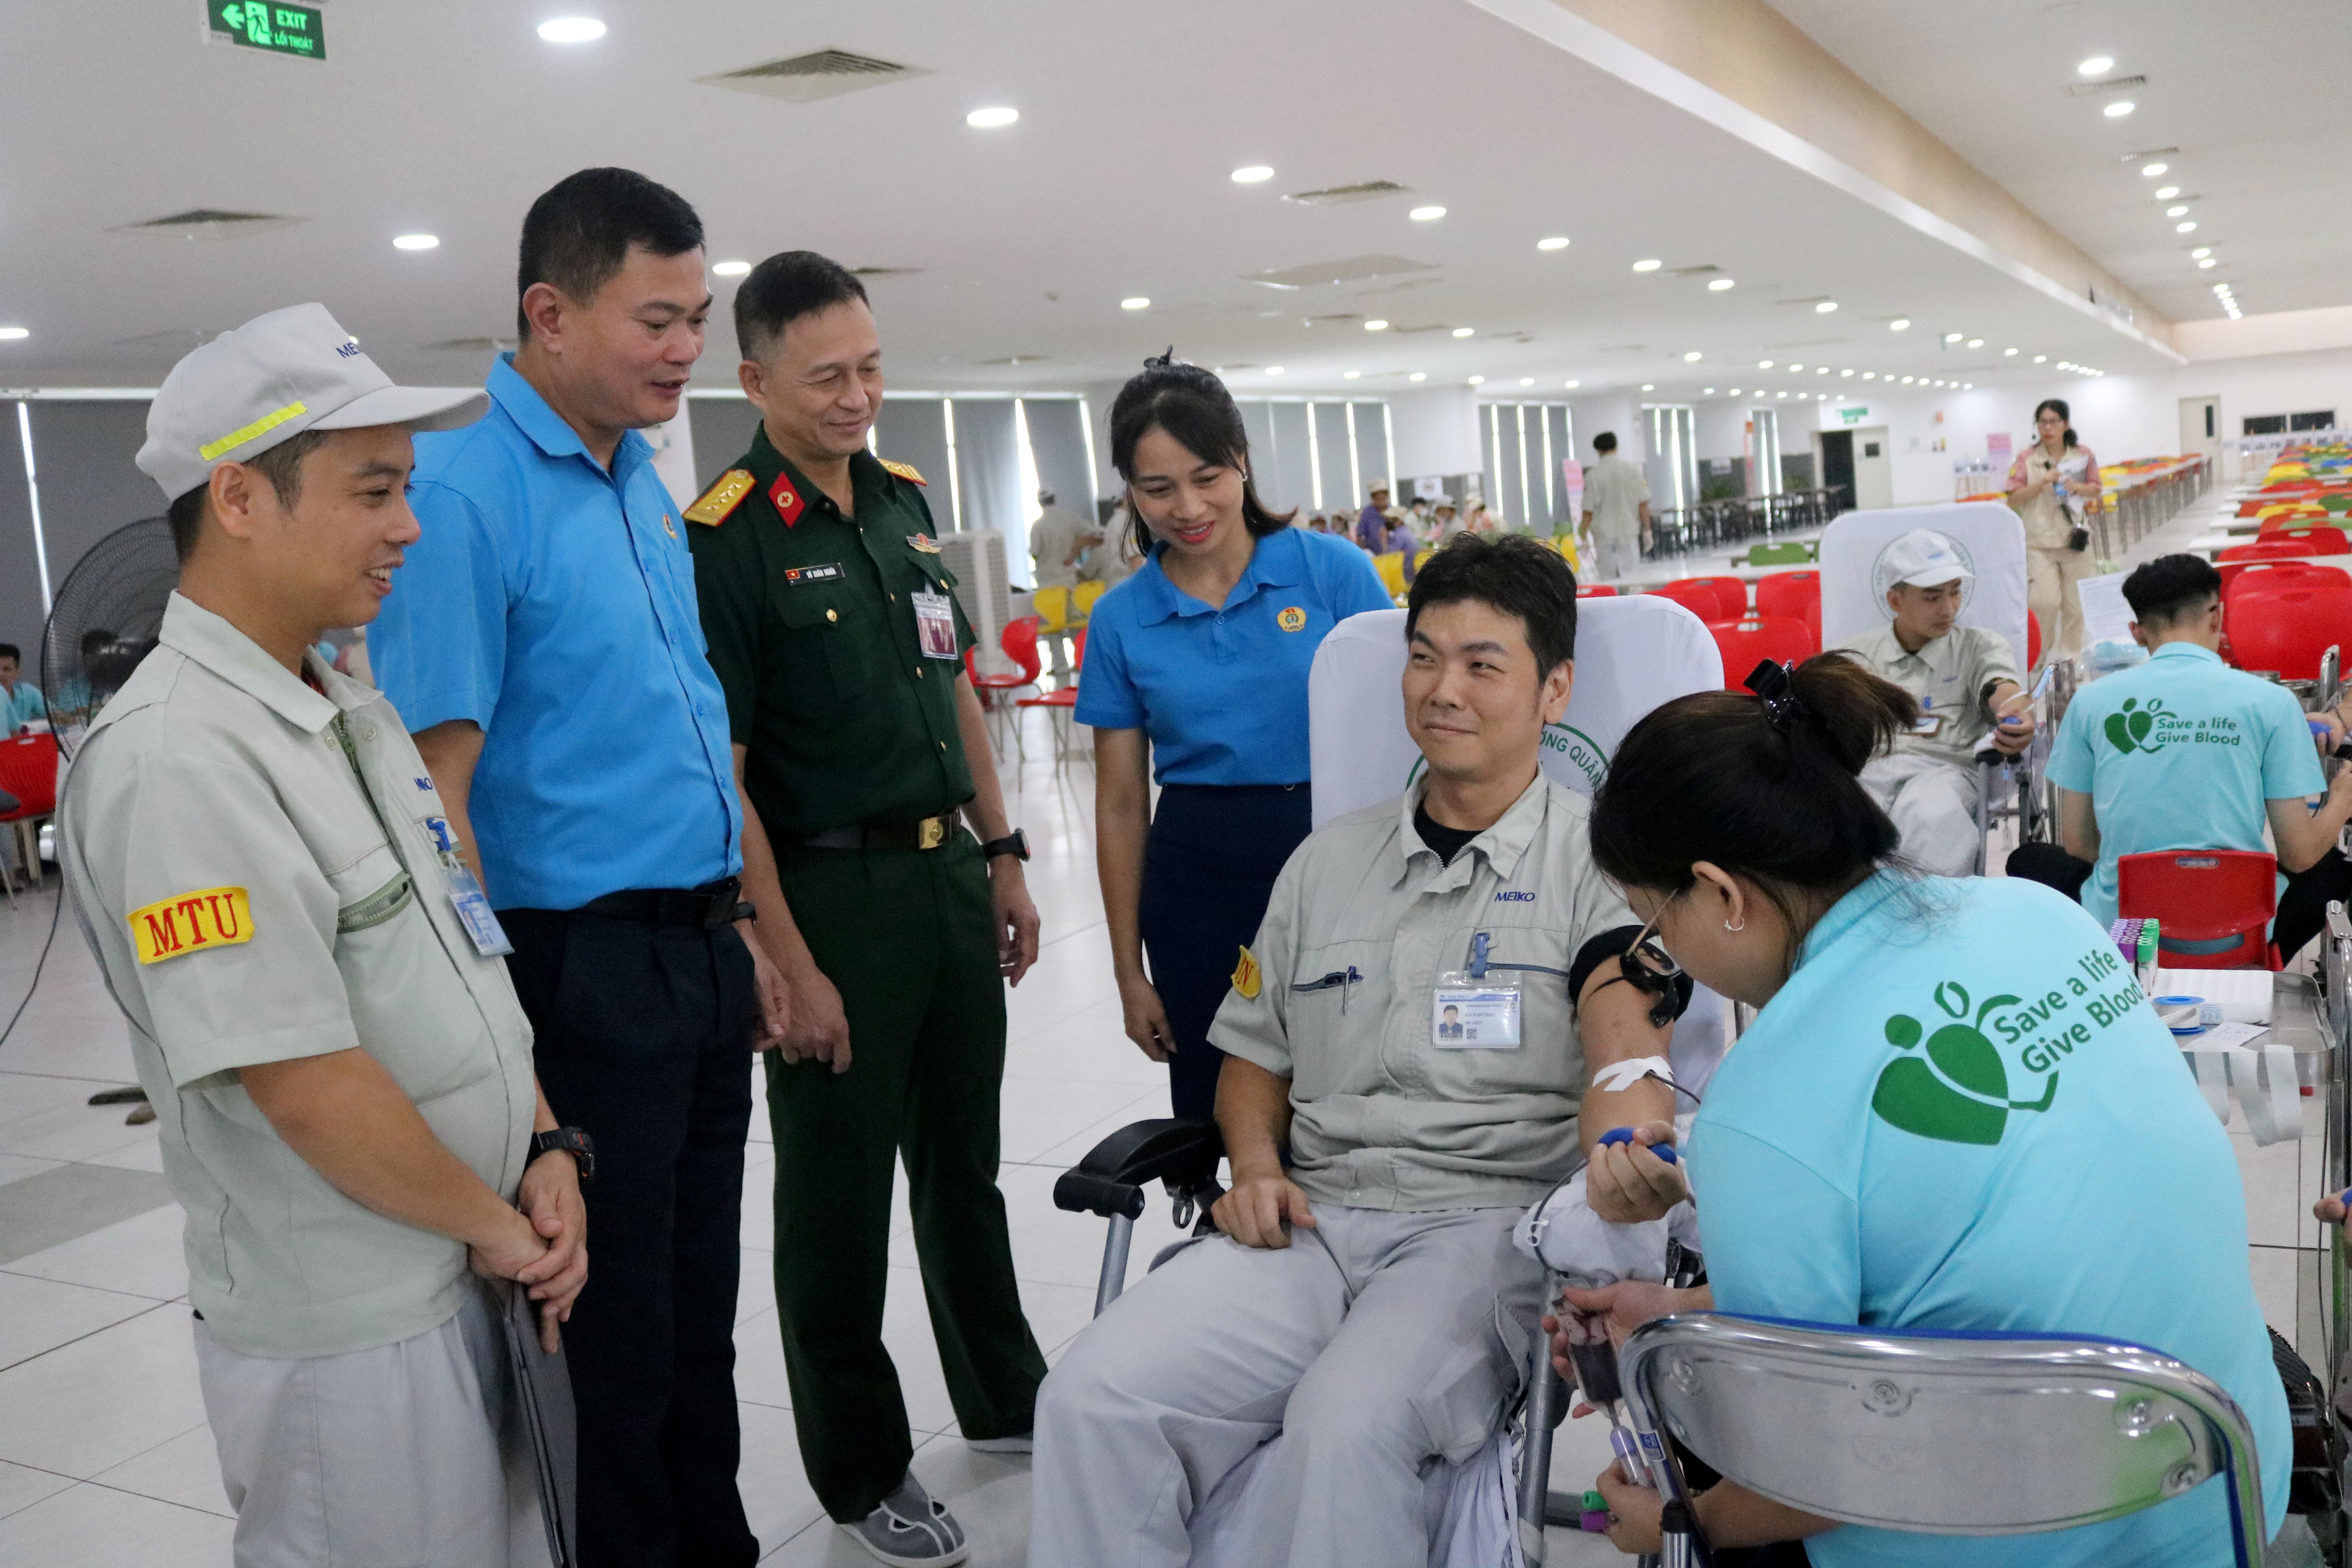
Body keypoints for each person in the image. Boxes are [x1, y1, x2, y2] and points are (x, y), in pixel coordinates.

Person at [1032, 533, 1686, 1568]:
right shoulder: (1324, 864)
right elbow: (1255, 1057)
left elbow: (1624, 1035)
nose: (1443, 690)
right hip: (1310, 1222)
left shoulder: (1600, 862)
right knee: (1090, 1396)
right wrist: (1254, 1169)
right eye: (1424, 657)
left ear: (1554, 690)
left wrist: (1628, 1141)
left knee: (1346, 1426)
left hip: (1480, 1236)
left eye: (1483, 664)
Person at [60, 303, 589, 1564]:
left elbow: (458, 963)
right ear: (241, 497)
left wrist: (544, 1143)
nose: (410, 526)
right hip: (353, 1328)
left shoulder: (345, 708)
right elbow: (298, 1077)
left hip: (461, 1254)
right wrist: (496, 1225)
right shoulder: (181, 758)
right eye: (373, 491)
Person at [1559, 653, 2288, 1563]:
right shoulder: (2042, 914)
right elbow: (1965, 1267)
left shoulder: (1762, 1106)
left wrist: (1679, 1523)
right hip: (2224, 1492)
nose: (1667, 951)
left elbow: (1810, 1477)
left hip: (2019, 1537)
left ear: (1722, 892)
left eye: (1656, 924)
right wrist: (1675, 1315)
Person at [370, 169, 777, 1568]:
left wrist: (746, 931)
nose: (687, 348)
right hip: (579, 967)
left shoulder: (639, 485)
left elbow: (682, 732)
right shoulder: (462, 497)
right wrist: (511, 1056)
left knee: (697, 1311)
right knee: (612, 1338)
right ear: (549, 314)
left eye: (698, 317)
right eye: (657, 320)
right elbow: (437, 803)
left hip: (696, 952)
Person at [686, 250, 1046, 1566]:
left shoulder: (903, 503)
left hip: (946, 875)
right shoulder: (725, 539)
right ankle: (859, 1467)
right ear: (754, 381)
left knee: (965, 1167)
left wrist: (1004, 853)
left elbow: (953, 688)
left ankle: (1006, 1395)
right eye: (826, 377)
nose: (857, 396)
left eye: (872, 368)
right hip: (829, 894)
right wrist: (785, 957)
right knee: (836, 1205)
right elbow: (724, 778)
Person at [1075, 356, 1392, 1120]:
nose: (1188, 507)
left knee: (1346, 1088)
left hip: (1336, 854)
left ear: (1242, 461)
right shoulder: (1120, 618)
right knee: (1218, 1098)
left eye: (1207, 476)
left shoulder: (1333, 573)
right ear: (1129, 491)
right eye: (1158, 488)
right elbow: (1121, 804)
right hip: (1197, 874)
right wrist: (1128, 971)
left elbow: (1398, 736)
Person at [2008, 552, 2352, 960]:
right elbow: (2299, 853)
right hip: (2239, 929)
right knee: (2332, 868)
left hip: (2126, 928)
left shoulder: (2090, 702)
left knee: (2028, 860)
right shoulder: (2272, 703)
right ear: (2217, 617)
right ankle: (2265, 955)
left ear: (2137, 632)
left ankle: (2110, 954)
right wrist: (2343, 796)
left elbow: (2080, 843)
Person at [1830, 528, 2033, 876]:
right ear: (1895, 601)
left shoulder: (1978, 646)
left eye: (1955, 592)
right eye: (1932, 597)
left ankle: (1921, 906)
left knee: (1929, 813)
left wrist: (2013, 712)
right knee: (1838, 811)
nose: (1949, 608)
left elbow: (1999, 685)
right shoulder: (1855, 657)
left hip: (1948, 769)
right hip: (1874, 770)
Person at [2007, 397, 2102, 668]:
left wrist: (2077, 487)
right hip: (2040, 543)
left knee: (2076, 605)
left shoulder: (2082, 454)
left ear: (2066, 424)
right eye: (2042, 422)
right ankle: (2039, 660)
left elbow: (2096, 489)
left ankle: (2071, 657)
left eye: (2053, 422)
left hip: (2075, 541)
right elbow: (2013, 498)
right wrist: (2040, 483)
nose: (2047, 428)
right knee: (2044, 603)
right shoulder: (2027, 458)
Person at [1579, 430, 1651, 582]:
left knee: (1608, 580)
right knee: (1632, 580)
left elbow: (1588, 512)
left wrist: (1584, 537)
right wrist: (1648, 530)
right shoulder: (1633, 471)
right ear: (1616, 448)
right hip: (1628, 532)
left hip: (1604, 536)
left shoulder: (1593, 476)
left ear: (1598, 450)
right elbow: (1643, 505)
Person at [1029, 485, 1101, 590]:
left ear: (1040, 502)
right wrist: (1076, 549)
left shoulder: (1038, 526)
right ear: (1054, 499)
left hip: (1047, 582)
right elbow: (1098, 533)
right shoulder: (1070, 518)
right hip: (1069, 580)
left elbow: (1035, 553)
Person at [0, 642, 45, 733]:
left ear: (17, 672)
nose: (1, 674)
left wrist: (66, 716)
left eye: (7, 669)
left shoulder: (28, 692)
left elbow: (54, 715)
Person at [1354, 481, 1391, 552]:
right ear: (1373, 499)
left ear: (1388, 497)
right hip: (1372, 552)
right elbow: (1360, 534)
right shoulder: (1367, 513)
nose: (1381, 502)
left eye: (1383, 498)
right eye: (1378, 499)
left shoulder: (1394, 512)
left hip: (1393, 552)